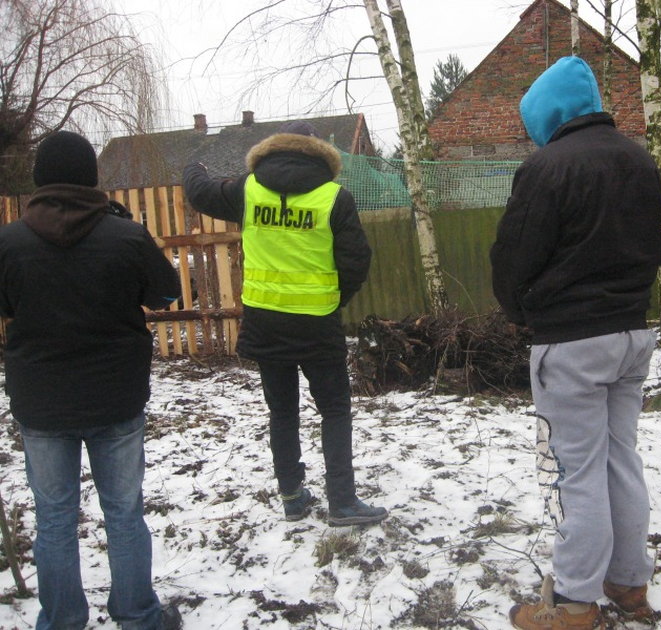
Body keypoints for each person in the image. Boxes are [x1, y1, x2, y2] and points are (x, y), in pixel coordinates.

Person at [490, 56, 661, 630]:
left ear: (547, 114)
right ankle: (628, 581)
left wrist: (522, 313)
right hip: (633, 335)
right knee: (620, 461)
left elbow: (514, 259)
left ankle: (571, 602)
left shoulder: (546, 168)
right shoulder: (641, 159)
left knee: (575, 471)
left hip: (572, 343)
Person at [0, 131, 182, 629]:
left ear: (39, 179)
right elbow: (167, 295)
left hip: (41, 405)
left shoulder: (9, 243)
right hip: (114, 401)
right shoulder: (125, 236)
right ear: (91, 178)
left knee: (54, 518)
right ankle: (138, 616)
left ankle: (61, 622)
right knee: (123, 513)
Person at [182, 121, 387, 527]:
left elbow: (200, 193)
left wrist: (194, 165)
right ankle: (342, 502)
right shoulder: (335, 197)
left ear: (273, 151)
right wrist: (331, 299)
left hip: (265, 320)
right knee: (334, 410)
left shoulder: (249, 189)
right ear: (317, 152)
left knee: (282, 412)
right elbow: (356, 262)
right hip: (317, 323)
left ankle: (292, 497)